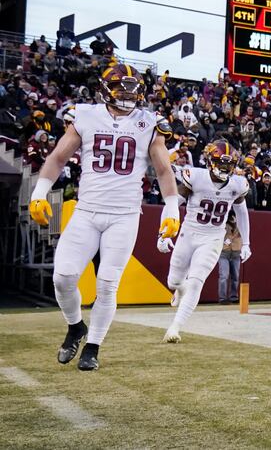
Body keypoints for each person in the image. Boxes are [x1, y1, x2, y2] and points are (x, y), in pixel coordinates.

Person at [28, 63, 180, 371]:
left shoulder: (150, 122)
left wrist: (173, 207)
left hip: (124, 215)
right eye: (121, 90)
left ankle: (93, 346)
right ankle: (76, 326)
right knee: (63, 278)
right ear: (104, 89)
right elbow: (57, 157)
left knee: (107, 284)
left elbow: (164, 170)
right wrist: (39, 192)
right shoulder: (85, 115)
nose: (126, 96)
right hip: (86, 210)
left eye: (132, 91)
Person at [159, 140, 252, 342]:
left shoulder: (237, 184)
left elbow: (242, 212)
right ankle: (179, 289)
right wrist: (163, 233)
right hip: (188, 233)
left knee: (196, 282)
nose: (225, 168)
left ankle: (175, 328)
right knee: (173, 281)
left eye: (229, 165)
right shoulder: (196, 177)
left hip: (213, 237)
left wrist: (246, 243)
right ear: (210, 160)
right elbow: (172, 203)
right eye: (221, 163)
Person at [218, 216, 242, 304]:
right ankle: (222, 298)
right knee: (224, 276)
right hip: (224, 253)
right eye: (232, 218)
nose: (234, 219)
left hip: (236, 253)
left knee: (235, 276)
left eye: (235, 217)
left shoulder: (241, 225)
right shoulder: (223, 225)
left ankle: (234, 297)